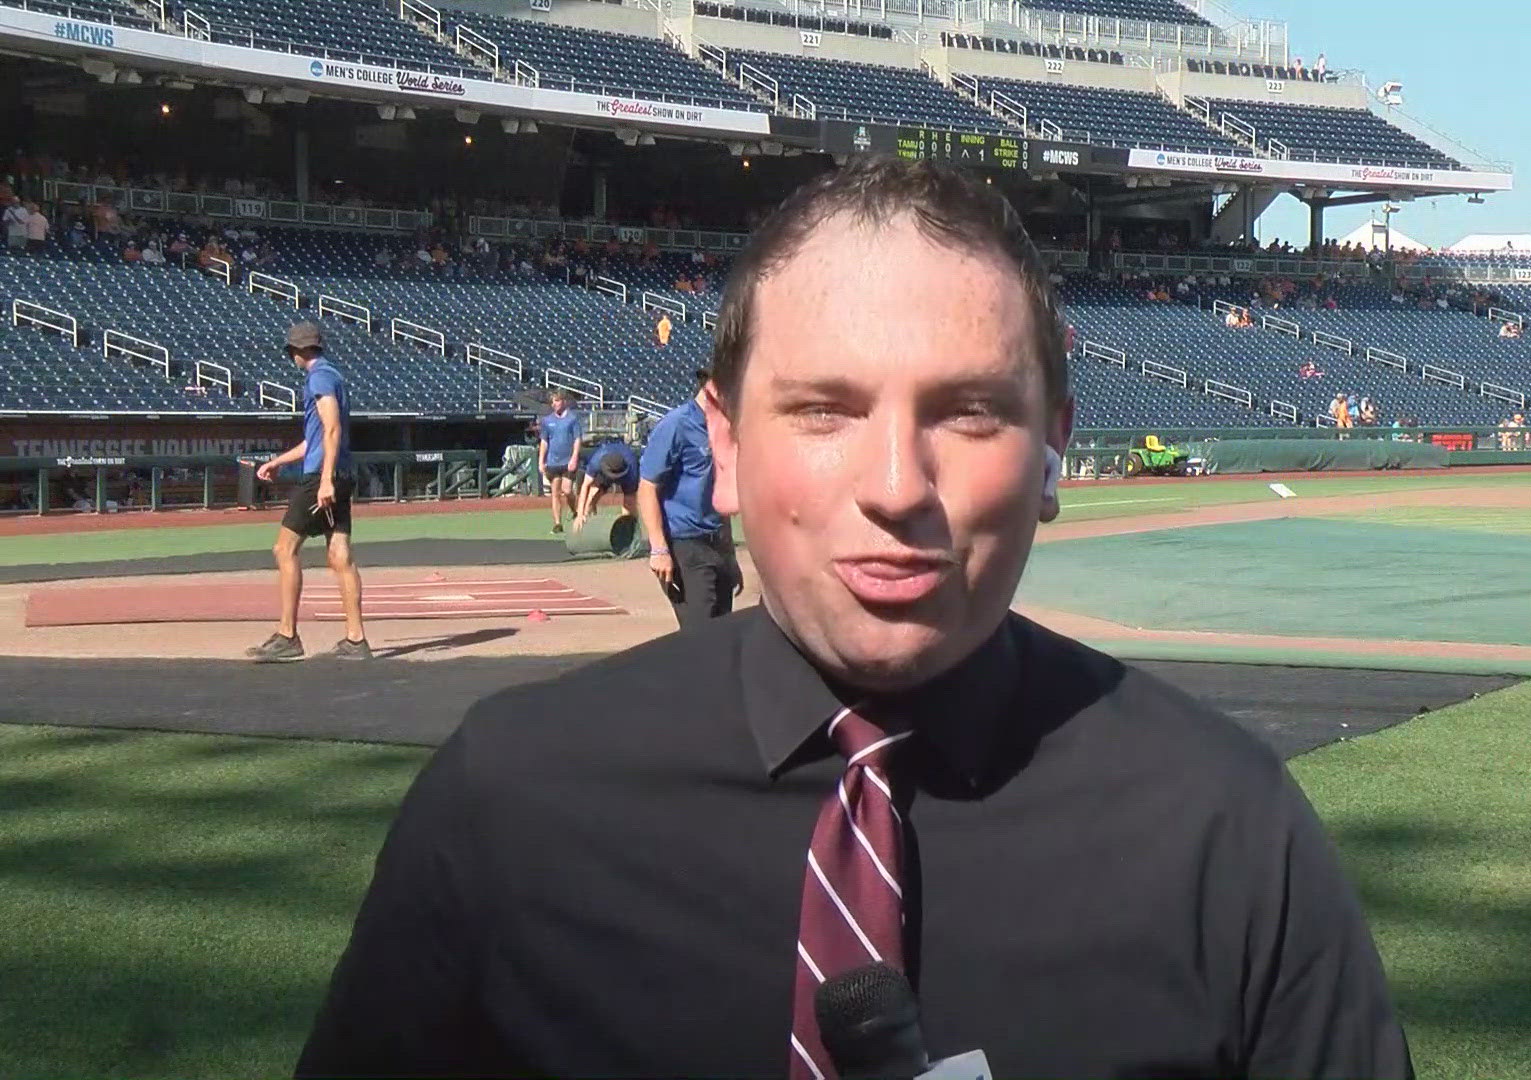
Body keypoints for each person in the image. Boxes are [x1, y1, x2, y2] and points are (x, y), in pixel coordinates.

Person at [297, 157, 1409, 1079]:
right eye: (823, 410)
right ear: (724, 447)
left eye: (969, 412)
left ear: (1053, 448)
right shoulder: (510, 804)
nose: (895, 483)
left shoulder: (1226, 831)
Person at [245, 322, 369, 663]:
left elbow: (332, 429)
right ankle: (356, 640)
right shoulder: (333, 375)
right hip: (340, 471)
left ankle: (288, 635)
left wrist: (325, 479)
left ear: (297, 352)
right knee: (339, 554)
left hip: (321, 477)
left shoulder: (319, 378)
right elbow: (314, 439)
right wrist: (277, 461)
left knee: (284, 549)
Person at [638, 369, 742, 627]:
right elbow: (647, 486)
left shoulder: (724, 427)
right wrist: (659, 549)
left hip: (717, 542)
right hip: (686, 545)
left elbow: (718, 491)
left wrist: (729, 556)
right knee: (700, 636)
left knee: (723, 633)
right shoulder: (676, 425)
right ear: (710, 386)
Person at [536, 390, 583, 534]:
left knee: (567, 490)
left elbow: (577, 439)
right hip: (553, 461)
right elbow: (544, 441)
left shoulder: (572, 419)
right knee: (555, 492)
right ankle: (557, 523)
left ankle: (575, 510)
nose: (556, 404)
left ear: (564, 402)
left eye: (558, 400)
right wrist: (541, 460)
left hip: (568, 460)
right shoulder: (547, 421)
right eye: (554, 401)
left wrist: (574, 457)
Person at [572, 438, 640, 526]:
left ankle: (630, 528)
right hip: (605, 470)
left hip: (625, 471)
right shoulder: (596, 462)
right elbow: (585, 486)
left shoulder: (632, 469)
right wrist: (580, 515)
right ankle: (585, 521)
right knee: (592, 495)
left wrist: (629, 519)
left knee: (629, 504)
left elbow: (630, 499)